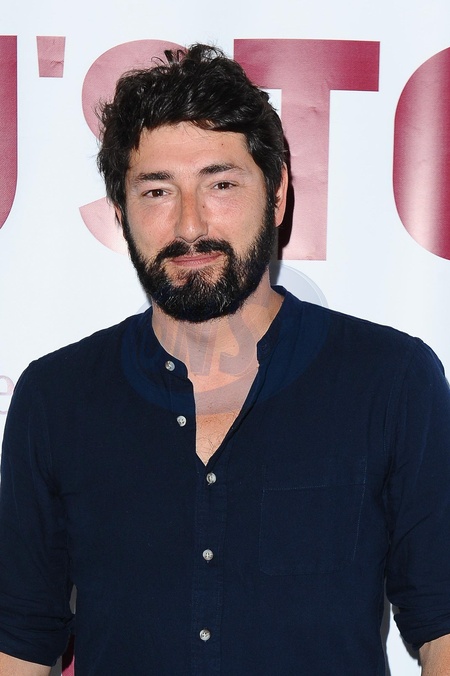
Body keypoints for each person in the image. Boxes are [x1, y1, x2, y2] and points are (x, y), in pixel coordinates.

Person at [0, 44, 450, 676]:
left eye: (221, 184)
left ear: (278, 193)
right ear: (121, 212)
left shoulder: (391, 381)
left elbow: (442, 625)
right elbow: (19, 640)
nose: (190, 224)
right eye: (157, 190)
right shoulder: (56, 398)